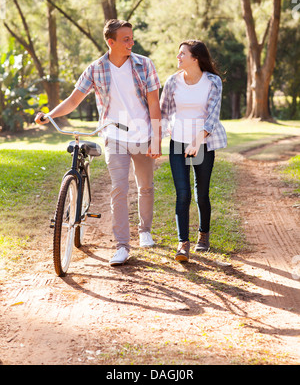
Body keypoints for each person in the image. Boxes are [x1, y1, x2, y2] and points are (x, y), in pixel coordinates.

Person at [35, 19, 161, 266]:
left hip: (142, 134)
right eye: (126, 39)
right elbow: (73, 101)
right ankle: (122, 245)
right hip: (113, 135)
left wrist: (156, 138)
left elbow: (154, 103)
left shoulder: (144, 64)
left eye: (132, 38)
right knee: (118, 189)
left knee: (145, 186)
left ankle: (145, 230)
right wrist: (49, 115)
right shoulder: (96, 69)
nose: (131, 42)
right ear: (110, 42)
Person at [160, 40, 227, 262]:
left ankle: (203, 235)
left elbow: (212, 117)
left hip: (203, 142)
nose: (178, 57)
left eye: (182, 54)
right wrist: (155, 140)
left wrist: (197, 141)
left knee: (202, 193)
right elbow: (163, 113)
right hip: (178, 141)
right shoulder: (172, 82)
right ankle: (183, 244)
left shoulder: (212, 82)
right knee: (182, 193)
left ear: (195, 58)